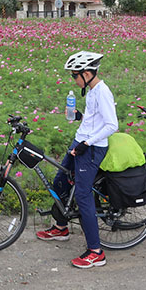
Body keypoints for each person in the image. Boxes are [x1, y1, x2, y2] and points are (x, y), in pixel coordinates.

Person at [35, 51, 118, 269]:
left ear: (87, 73)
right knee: (60, 181)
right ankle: (61, 227)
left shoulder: (103, 92)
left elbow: (111, 125)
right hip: (80, 142)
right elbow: (95, 119)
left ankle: (96, 252)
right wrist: (80, 116)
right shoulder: (90, 92)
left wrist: (87, 144)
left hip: (91, 149)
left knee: (82, 195)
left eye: (75, 75)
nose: (74, 79)